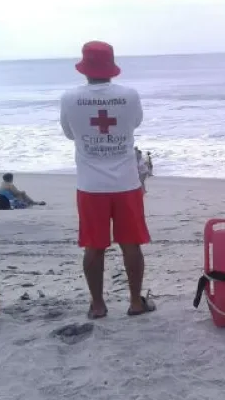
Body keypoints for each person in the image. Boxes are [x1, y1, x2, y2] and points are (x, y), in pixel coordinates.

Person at [59, 40, 154, 319]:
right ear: (112, 67)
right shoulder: (130, 95)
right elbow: (134, 123)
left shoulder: (70, 97)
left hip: (90, 185)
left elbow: (69, 134)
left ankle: (98, 305)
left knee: (94, 246)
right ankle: (136, 302)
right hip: (126, 183)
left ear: (84, 68)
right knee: (131, 244)